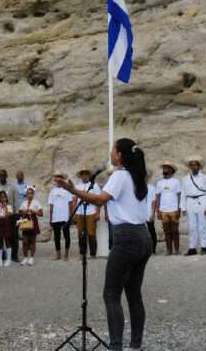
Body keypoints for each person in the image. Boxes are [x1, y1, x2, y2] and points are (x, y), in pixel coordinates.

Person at [54, 138, 152, 351]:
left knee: (111, 294)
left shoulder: (120, 175)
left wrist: (72, 191)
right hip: (143, 236)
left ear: (119, 155)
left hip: (126, 237)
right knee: (133, 293)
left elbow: (100, 200)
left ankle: (116, 347)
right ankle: (136, 346)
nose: (110, 152)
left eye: (113, 150)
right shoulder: (138, 177)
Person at [181, 155, 206, 255]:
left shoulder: (204, 177)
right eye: (192, 165)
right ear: (190, 167)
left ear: (199, 166)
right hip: (190, 202)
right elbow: (183, 193)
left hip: (202, 201)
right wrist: (183, 207)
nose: (194, 166)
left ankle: (204, 247)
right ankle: (192, 248)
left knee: (202, 225)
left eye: (195, 165)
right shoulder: (185, 179)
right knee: (192, 226)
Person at [73, 166, 102, 259]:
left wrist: (97, 213)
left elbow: (98, 200)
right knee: (80, 234)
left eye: (86, 173)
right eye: (83, 174)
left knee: (91, 233)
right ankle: (82, 253)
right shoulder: (77, 186)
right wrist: (73, 213)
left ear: (89, 175)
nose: (84, 176)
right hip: (79, 212)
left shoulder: (94, 185)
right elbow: (74, 200)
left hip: (91, 212)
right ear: (81, 176)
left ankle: (93, 254)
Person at [0, 170, 20, 262]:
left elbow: (16, 200)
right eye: (1, 175)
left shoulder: (12, 187)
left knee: (13, 236)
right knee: (0, 236)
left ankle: (14, 255)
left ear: (7, 175)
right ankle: (2, 255)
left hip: (11, 215)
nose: (2, 176)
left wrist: (16, 213)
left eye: (4, 175)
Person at [155, 161, 181, 256]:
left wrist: (179, 209)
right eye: (163, 168)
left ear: (171, 170)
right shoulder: (159, 182)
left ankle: (177, 250)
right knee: (167, 231)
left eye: (166, 168)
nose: (164, 169)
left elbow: (179, 196)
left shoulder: (176, 181)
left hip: (174, 210)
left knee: (175, 231)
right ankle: (169, 250)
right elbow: (157, 197)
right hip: (163, 211)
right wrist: (158, 211)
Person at [48, 171, 73, 261]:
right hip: (56, 217)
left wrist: (70, 216)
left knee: (66, 235)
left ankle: (66, 254)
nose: (58, 178)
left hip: (65, 216)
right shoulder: (52, 191)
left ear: (62, 178)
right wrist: (51, 217)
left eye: (59, 177)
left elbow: (70, 203)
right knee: (56, 236)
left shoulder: (67, 190)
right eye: (56, 177)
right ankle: (58, 255)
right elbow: (51, 205)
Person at [19, 186, 43, 266]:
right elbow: (20, 213)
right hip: (25, 220)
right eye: (28, 193)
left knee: (33, 240)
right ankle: (25, 257)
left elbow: (41, 214)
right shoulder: (24, 203)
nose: (29, 195)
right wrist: (24, 211)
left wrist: (33, 211)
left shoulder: (36, 202)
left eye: (31, 193)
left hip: (33, 220)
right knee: (25, 241)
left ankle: (31, 258)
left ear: (33, 194)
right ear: (26, 194)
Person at [0, 191, 14, 267]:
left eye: (4, 197)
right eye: (1, 197)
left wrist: (5, 207)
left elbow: (8, 215)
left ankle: (8, 259)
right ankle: (0, 259)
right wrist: (2, 217)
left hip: (6, 224)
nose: (3, 198)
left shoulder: (9, 206)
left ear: (7, 198)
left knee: (7, 240)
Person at [145, 171, 157, 255]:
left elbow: (154, 202)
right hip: (139, 213)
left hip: (148, 212)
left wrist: (152, 213)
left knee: (151, 230)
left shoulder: (151, 188)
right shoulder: (136, 187)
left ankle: (153, 249)